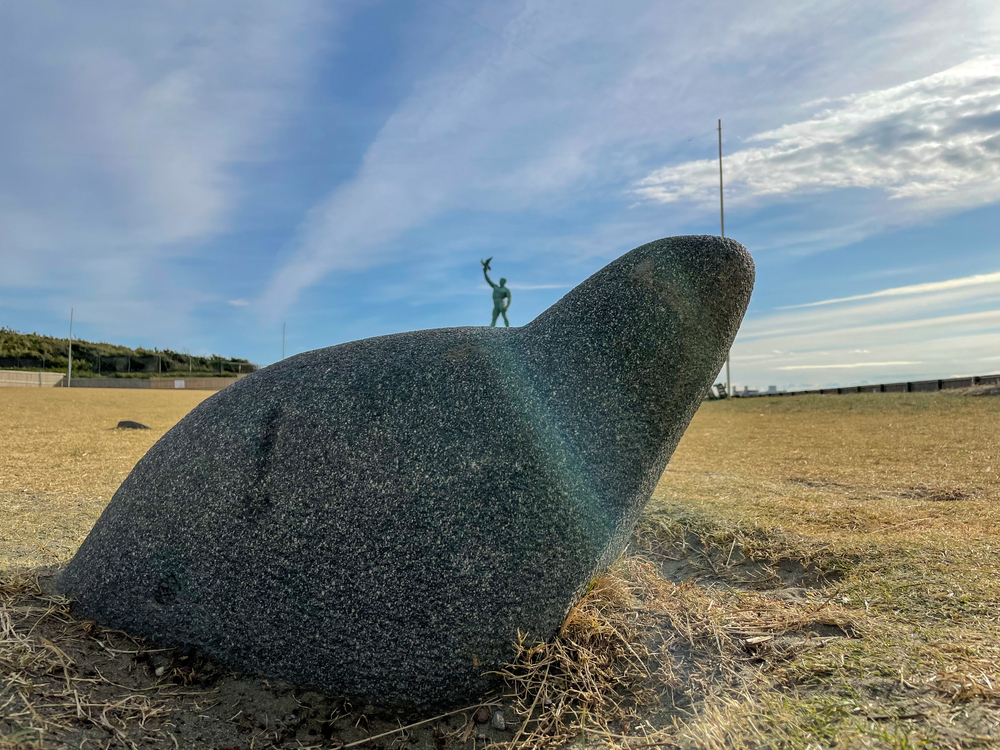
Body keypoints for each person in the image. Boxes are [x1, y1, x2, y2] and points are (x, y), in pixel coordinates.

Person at [481, 258, 511, 327]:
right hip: (495, 304)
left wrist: (507, 306)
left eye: (502, 281)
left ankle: (508, 328)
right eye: (500, 280)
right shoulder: (495, 287)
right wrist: (485, 273)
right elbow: (488, 280)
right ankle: (491, 330)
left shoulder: (506, 290)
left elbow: (509, 298)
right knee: (494, 318)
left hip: (501, 303)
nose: (500, 281)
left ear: (504, 282)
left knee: (504, 316)